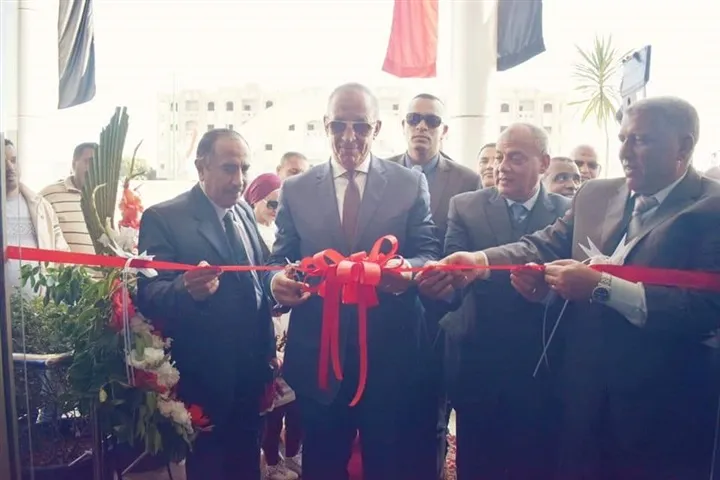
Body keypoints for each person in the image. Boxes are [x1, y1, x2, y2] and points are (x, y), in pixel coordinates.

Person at [428, 97, 720, 480]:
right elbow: (543, 244)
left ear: (684, 146)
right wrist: (479, 261)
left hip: (663, 408)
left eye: (641, 140)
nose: (625, 152)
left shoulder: (711, 207)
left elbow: (707, 308)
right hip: (581, 395)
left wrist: (603, 287)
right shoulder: (596, 195)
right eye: (623, 138)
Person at [264, 82, 441, 480]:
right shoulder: (295, 189)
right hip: (320, 360)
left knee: (389, 467)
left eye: (360, 126)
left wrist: (404, 271)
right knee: (322, 466)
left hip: (391, 357)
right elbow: (279, 259)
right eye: (339, 125)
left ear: (376, 128)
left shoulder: (409, 183)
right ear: (325, 125)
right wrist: (277, 282)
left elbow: (428, 252)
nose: (349, 136)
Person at [420, 123, 571, 479]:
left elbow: (571, 284)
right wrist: (439, 288)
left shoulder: (568, 212)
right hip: (478, 359)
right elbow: (456, 285)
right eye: (499, 157)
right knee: (477, 464)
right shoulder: (466, 206)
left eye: (515, 158)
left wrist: (545, 292)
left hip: (541, 365)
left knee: (536, 465)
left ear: (544, 163)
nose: (501, 167)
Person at [137, 129, 275, 480]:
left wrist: (278, 292)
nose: (239, 180)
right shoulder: (164, 217)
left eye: (244, 168)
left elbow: (260, 276)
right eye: (229, 168)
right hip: (206, 382)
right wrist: (185, 289)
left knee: (247, 467)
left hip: (252, 375)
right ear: (201, 167)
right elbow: (148, 294)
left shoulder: (243, 211)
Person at [387, 93, 480, 478]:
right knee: (390, 412)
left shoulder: (466, 180)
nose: (421, 127)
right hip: (389, 311)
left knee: (432, 412)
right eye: (413, 119)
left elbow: (469, 246)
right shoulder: (382, 173)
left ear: (445, 130)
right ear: (403, 126)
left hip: (441, 312)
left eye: (431, 120)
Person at [244, 173, 302, 480]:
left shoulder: (282, 232)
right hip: (264, 324)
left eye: (281, 205)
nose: (276, 210)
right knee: (272, 401)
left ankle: (290, 454)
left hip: (289, 319)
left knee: (293, 398)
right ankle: (270, 461)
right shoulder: (248, 234)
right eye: (271, 203)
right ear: (254, 199)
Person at [4, 139, 69, 296]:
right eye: (2, 162)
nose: (10, 167)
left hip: (38, 307)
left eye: (13, 160)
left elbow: (62, 253)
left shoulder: (41, 207)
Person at [40, 142, 97, 253]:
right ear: (74, 164)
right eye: (88, 162)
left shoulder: (108, 200)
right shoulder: (49, 195)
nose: (93, 169)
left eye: (97, 164)